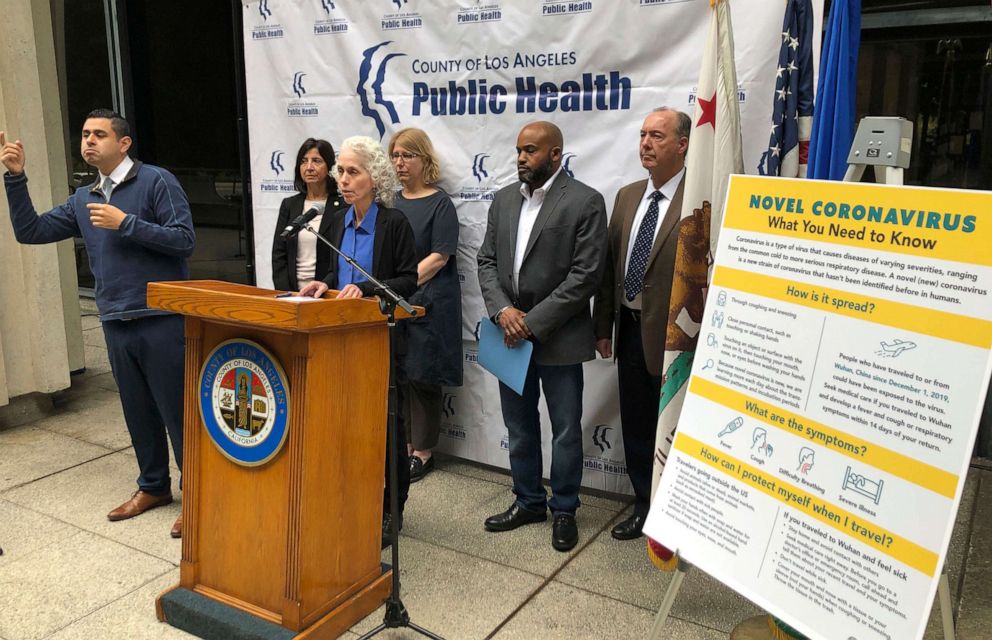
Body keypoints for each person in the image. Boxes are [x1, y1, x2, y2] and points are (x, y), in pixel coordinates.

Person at [0, 109, 193, 539]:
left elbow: (184, 240)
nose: (89, 141)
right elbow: (30, 231)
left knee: (178, 413)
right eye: (85, 134)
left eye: (99, 134)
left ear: (123, 143)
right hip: (114, 317)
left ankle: (198, 495)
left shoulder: (156, 181)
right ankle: (153, 487)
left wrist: (128, 224)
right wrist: (15, 178)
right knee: (137, 411)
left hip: (161, 317)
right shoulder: (83, 198)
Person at [476, 121, 607, 552]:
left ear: (555, 155)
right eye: (518, 150)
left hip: (558, 337)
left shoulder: (586, 201)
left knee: (566, 428)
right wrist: (503, 311)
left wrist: (531, 321)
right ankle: (528, 500)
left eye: (530, 151)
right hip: (508, 337)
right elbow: (486, 261)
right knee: (519, 425)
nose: (520, 158)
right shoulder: (503, 201)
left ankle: (564, 508)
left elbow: (585, 275)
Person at [299, 136, 417, 549]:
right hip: (339, 340)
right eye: (341, 172)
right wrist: (323, 283)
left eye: (353, 172)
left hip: (380, 341)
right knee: (346, 428)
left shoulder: (394, 223)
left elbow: (408, 280)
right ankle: (354, 499)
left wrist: (367, 289)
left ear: (375, 177)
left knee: (386, 427)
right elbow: (335, 274)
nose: (343, 180)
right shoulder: (334, 220)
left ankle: (391, 509)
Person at [592, 107, 689, 540]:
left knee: (675, 428)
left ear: (682, 144)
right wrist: (602, 326)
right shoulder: (628, 196)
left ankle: (679, 515)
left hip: (678, 338)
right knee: (636, 424)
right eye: (643, 135)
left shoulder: (700, 195)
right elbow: (611, 267)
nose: (646, 144)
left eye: (657, 136)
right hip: (629, 330)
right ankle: (645, 507)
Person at [388, 128, 462, 483]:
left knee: (423, 376)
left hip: (427, 303)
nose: (400, 163)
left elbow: (439, 256)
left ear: (424, 159)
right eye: (396, 156)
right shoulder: (390, 202)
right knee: (399, 375)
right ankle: (403, 445)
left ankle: (424, 450)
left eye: (408, 155)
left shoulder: (439, 203)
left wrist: (401, 284)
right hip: (394, 304)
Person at [271, 138, 342, 291]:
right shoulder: (289, 205)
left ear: (330, 167)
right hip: (292, 291)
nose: (309, 167)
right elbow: (279, 253)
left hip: (327, 290)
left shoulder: (342, 206)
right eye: (304, 161)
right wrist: (285, 292)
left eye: (316, 161)